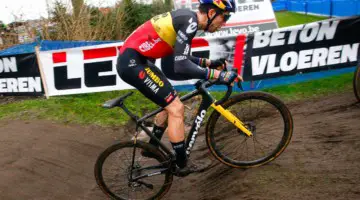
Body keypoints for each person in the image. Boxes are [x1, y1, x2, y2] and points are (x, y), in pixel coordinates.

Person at [116, 0, 242, 176]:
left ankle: (152, 147)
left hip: (138, 61)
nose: (225, 22)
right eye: (225, 16)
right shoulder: (189, 22)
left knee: (170, 99)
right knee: (176, 108)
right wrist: (218, 75)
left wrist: (211, 64)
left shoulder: (185, 19)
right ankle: (182, 165)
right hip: (134, 64)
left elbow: (175, 62)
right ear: (212, 12)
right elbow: (181, 66)